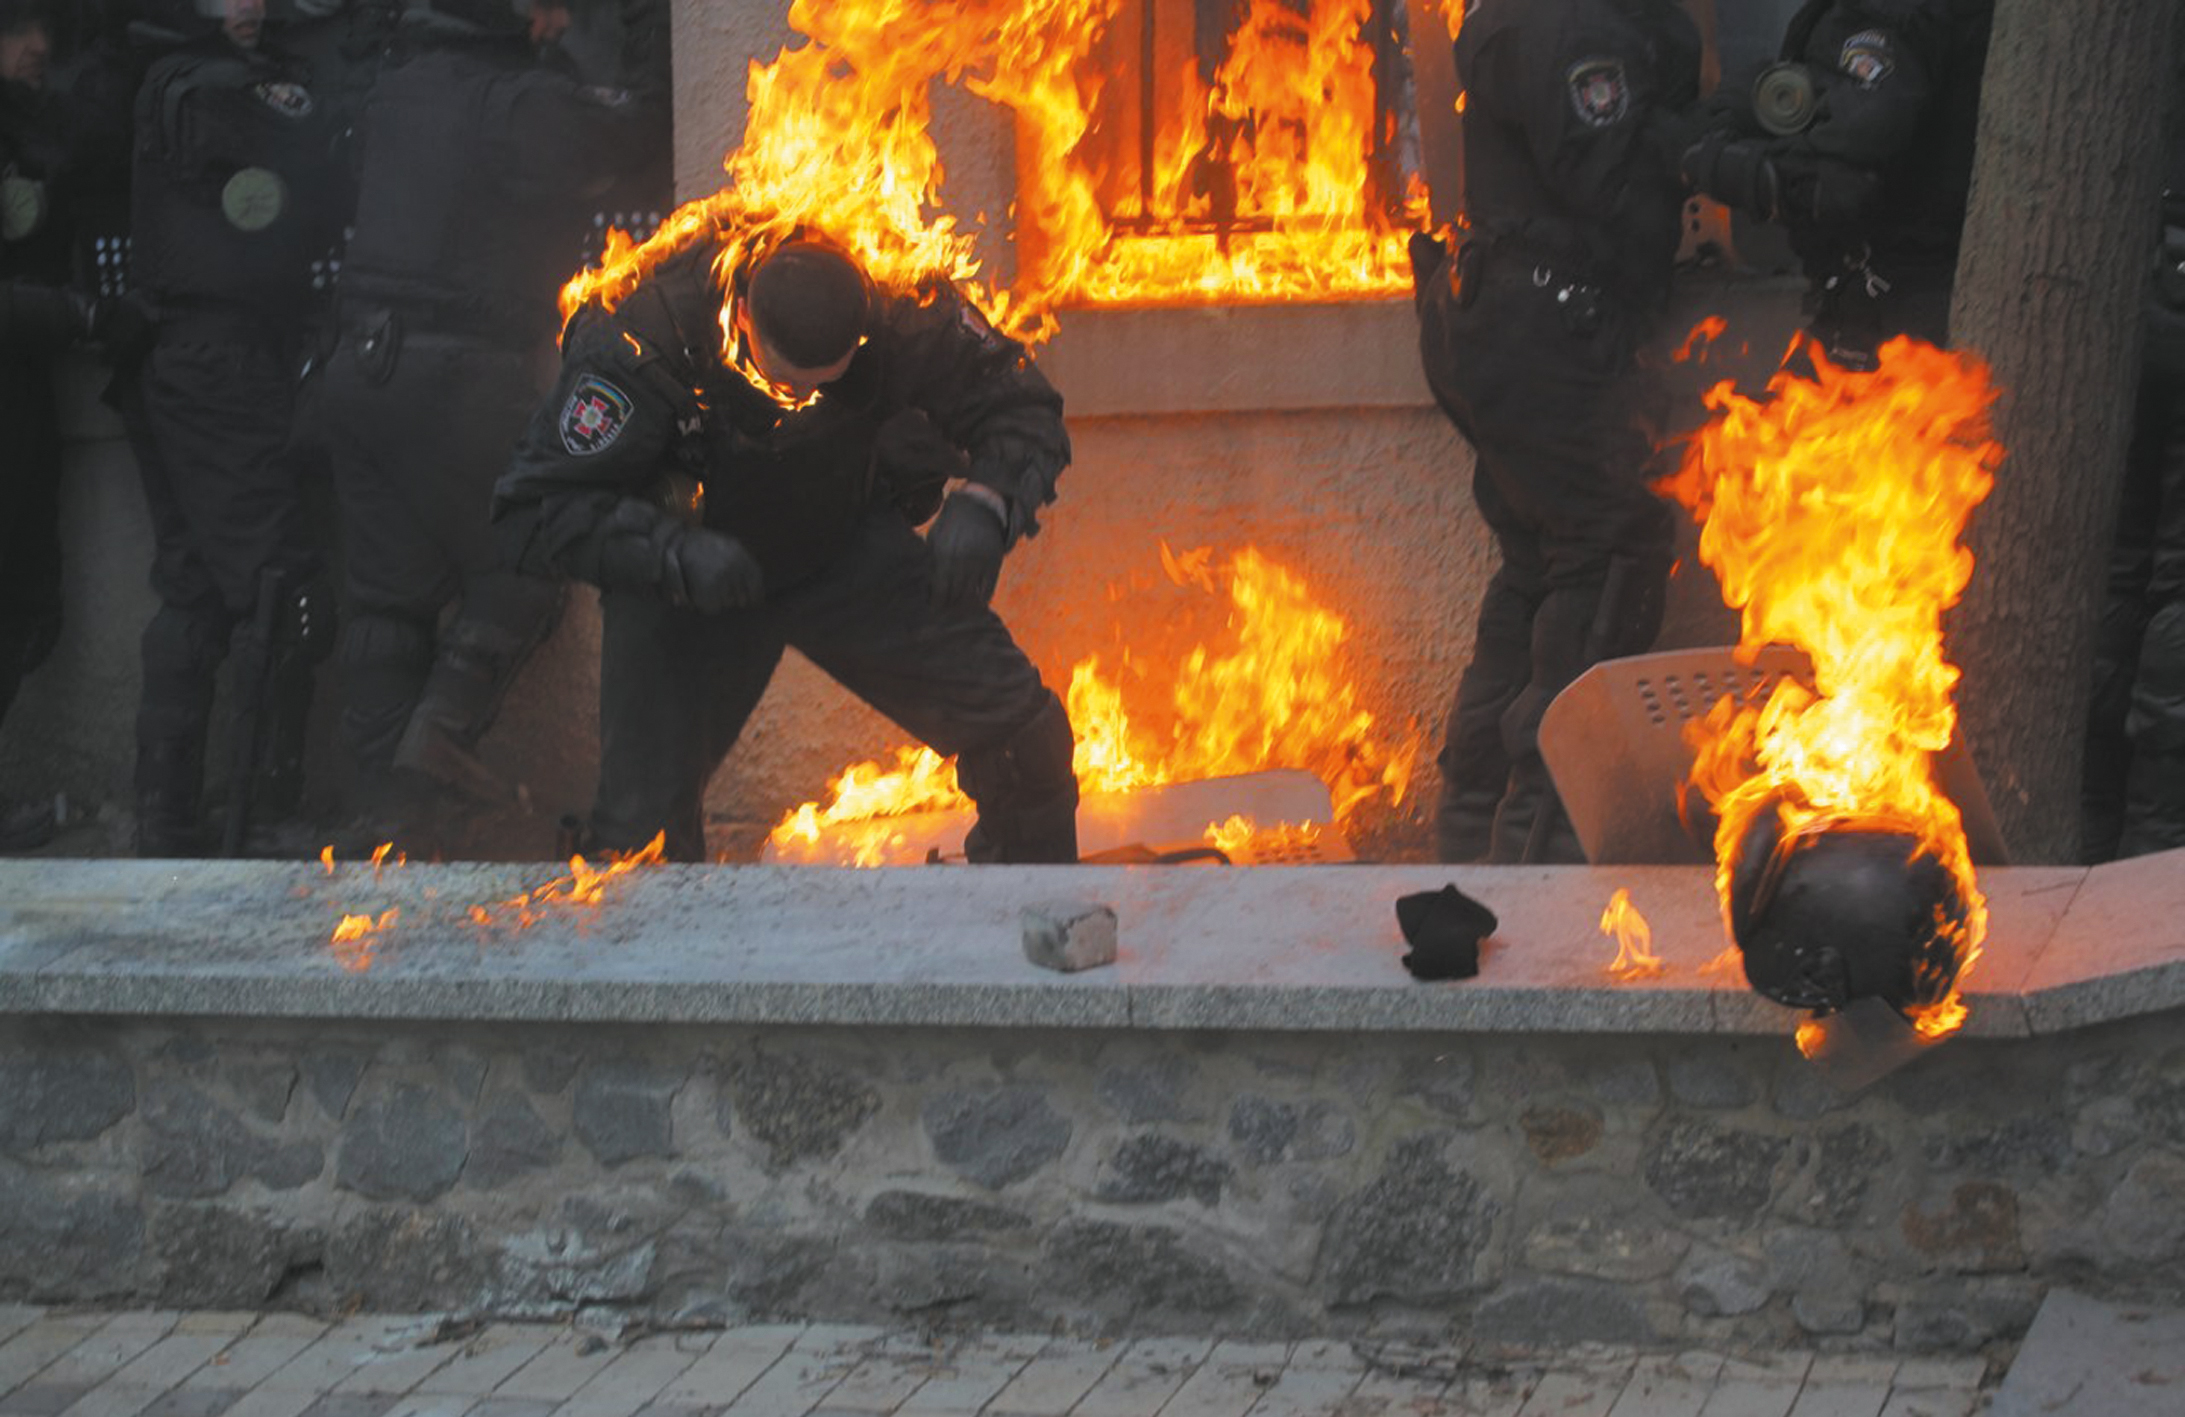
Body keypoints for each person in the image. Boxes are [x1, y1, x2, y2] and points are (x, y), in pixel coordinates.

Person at [491, 227, 1080, 865]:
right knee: (640, 849)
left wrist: (988, 501)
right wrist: (672, 555)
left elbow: (1022, 405)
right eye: (784, 385)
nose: (800, 402)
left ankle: (1033, 933)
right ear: (741, 317)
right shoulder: (641, 336)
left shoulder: (894, 294)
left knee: (1027, 745)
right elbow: (534, 510)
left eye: (826, 384)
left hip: (837, 543)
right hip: (687, 579)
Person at [309, 0, 665, 846]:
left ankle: (385, 820)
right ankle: (436, 739)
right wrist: (654, 23)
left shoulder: (402, 85)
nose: (556, 20)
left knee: (387, 603)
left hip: (361, 369)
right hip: (459, 369)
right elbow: (638, 137)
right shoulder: (516, 104)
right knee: (536, 547)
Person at [1410, 0, 1699, 865]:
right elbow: (1605, 173)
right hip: (1545, 321)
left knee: (1544, 564)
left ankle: (1473, 832)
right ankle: (1536, 855)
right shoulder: (1572, 23)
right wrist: (1709, 143)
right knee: (1608, 553)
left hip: (1506, 318)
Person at [119, 0, 348, 856]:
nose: (247, 7)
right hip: (215, 361)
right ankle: (261, 815)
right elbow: (304, 146)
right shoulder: (203, 84)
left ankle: (167, 816)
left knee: (195, 588)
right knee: (281, 595)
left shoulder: (183, 77)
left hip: (198, 358)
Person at [1681, 0, 1993, 367]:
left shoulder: (1888, 16)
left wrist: (1744, 167)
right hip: (1880, 295)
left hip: (1894, 311)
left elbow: (1841, 175)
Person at [2084, 82, 2185, 863]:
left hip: (2144, 299)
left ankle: (2093, 824)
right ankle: (2153, 857)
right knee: (2172, 592)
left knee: (2119, 578)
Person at [1, 0, 93, 850]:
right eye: (13, 31)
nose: (34, 49)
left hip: (21, 397)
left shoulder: (35, 126)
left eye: (39, 33)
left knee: (27, 602)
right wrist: (71, 312)